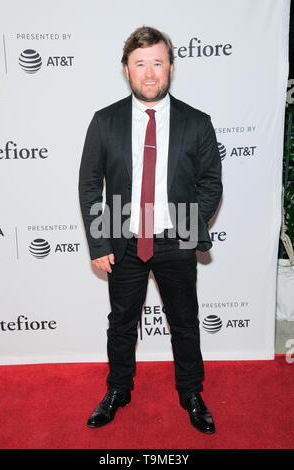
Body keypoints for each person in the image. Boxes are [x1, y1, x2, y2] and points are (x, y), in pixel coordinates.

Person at [79, 26, 222, 434]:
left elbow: (211, 182)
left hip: (175, 241)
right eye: (140, 64)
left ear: (170, 68)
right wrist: (98, 240)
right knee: (121, 321)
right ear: (127, 70)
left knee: (185, 321)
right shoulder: (104, 121)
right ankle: (118, 389)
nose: (149, 72)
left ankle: (191, 392)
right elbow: (90, 184)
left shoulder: (197, 122)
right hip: (122, 242)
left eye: (157, 63)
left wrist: (191, 230)